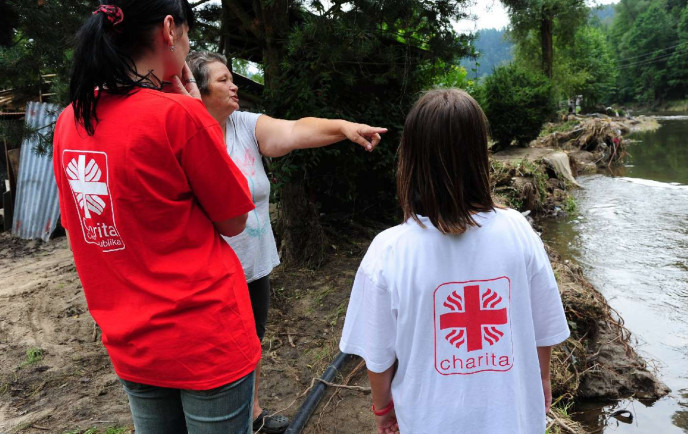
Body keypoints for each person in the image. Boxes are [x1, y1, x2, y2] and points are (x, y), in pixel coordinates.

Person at [53, 2, 262, 432]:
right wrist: (195, 112)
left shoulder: (70, 121)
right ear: (169, 30)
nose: (187, 44)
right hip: (206, 338)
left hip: (131, 342)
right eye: (186, 33)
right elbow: (234, 220)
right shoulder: (178, 115)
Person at [339, 88, 571, 434]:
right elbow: (544, 328)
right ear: (480, 155)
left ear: (411, 159)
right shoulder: (518, 231)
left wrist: (384, 410)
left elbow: (378, 357)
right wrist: (542, 379)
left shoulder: (388, 251)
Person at [187, 51, 387, 433]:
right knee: (217, 356)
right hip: (208, 274)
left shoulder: (243, 126)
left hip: (253, 263)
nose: (234, 86)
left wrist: (343, 127)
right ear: (198, 90)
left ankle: (253, 414)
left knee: (253, 342)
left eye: (234, 78)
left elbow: (294, 131)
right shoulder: (187, 133)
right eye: (223, 80)